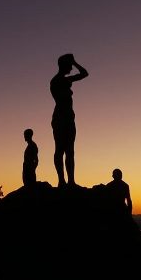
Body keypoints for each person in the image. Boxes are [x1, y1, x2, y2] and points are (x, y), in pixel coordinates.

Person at [50, 53, 88, 187]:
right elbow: (84, 74)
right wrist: (75, 62)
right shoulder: (58, 81)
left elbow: (84, 74)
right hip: (61, 118)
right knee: (60, 149)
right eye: (70, 66)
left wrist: (74, 62)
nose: (71, 69)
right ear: (64, 65)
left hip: (68, 118)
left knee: (69, 150)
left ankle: (70, 181)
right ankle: (62, 181)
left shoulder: (63, 80)